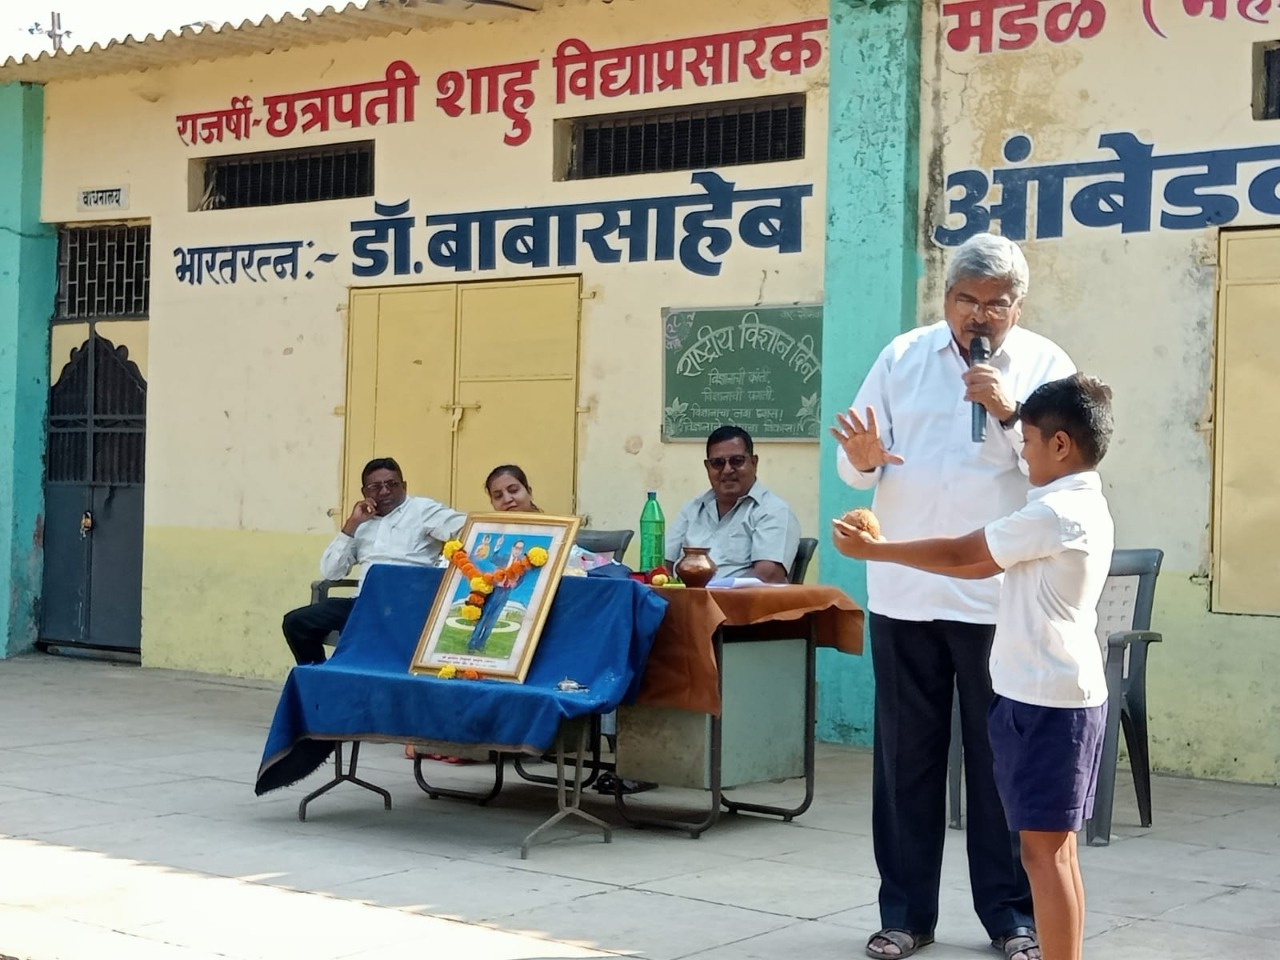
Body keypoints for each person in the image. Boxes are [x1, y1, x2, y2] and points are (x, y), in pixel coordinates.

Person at [831, 233, 1075, 960]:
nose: (979, 317)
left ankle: (1012, 919)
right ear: (946, 300)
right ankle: (905, 914)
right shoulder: (903, 357)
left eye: (994, 304)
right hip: (905, 594)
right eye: (966, 301)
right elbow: (855, 465)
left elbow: (1059, 480)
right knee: (905, 761)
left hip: (996, 601)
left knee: (1001, 766)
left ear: (1016, 307)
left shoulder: (1044, 366)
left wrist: (1007, 413)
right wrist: (861, 459)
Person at [281, 457, 465, 666]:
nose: (385, 491)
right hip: (364, 604)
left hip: (408, 606)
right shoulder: (361, 523)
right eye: (376, 487)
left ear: (403, 486)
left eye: (392, 484)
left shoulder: (423, 510)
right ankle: (319, 680)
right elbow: (331, 572)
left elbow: (466, 529)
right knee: (296, 622)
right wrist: (352, 524)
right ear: (365, 493)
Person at [665, 425, 800, 583]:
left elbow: (767, 576)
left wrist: (712, 592)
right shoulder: (692, 510)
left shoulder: (773, 511)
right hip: (685, 603)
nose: (727, 470)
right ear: (708, 467)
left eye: (737, 461)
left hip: (741, 605)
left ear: (754, 463)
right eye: (718, 463)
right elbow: (663, 565)